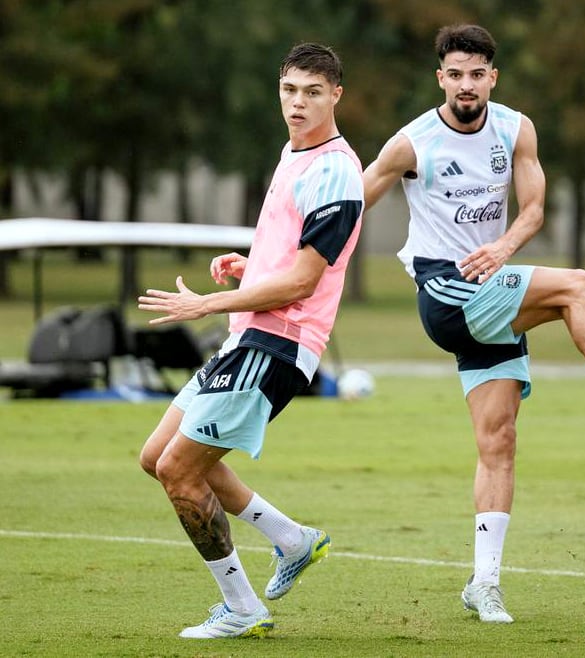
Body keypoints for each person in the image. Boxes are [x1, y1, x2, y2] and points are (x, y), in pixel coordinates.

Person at [361, 24, 585, 624]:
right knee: (579, 285)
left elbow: (536, 207)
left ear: (493, 76)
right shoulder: (411, 143)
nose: (466, 85)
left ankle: (484, 583)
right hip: (446, 292)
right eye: (455, 75)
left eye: (477, 74)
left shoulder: (516, 129)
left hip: (491, 288)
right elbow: (345, 207)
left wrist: (504, 246)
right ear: (439, 78)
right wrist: (264, 261)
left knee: (499, 444)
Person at [136, 43, 363, 639]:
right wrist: (250, 264)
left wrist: (204, 304)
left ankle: (243, 608)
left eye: (313, 92)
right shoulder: (294, 153)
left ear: (336, 94)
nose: (298, 103)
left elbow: (305, 279)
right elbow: (289, 260)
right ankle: (292, 540)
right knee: (156, 458)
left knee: (180, 471)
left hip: (279, 345)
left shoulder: (336, 170)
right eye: (290, 90)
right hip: (252, 336)